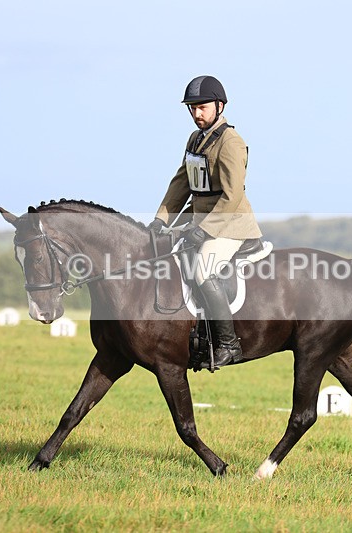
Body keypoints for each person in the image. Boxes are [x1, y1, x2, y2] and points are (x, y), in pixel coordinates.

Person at [149, 75, 262, 369]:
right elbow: (181, 182)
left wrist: (205, 230)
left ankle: (228, 344)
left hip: (230, 224)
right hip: (200, 221)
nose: (197, 113)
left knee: (203, 271)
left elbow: (233, 195)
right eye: (193, 108)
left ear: (219, 106)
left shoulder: (230, 142)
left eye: (203, 107)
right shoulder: (195, 139)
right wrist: (161, 220)